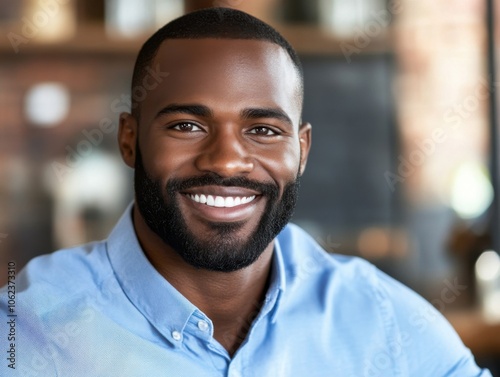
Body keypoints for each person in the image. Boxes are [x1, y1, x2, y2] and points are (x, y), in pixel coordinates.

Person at [0, 8, 492, 377]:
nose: (226, 160)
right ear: (130, 139)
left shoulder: (380, 319)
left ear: (301, 149)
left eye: (263, 130)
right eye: (188, 125)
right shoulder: (24, 334)